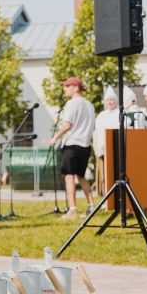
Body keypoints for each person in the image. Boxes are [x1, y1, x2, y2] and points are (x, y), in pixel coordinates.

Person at [47, 77, 95, 218]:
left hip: (72, 145)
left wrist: (55, 138)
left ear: (75, 88)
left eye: (67, 86)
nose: (65, 89)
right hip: (85, 145)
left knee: (69, 176)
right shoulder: (89, 105)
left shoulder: (72, 103)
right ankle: (91, 205)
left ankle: (73, 210)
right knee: (81, 176)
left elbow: (68, 124)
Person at [93, 87, 121, 197]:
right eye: (108, 100)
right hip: (102, 149)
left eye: (112, 100)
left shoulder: (119, 114)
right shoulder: (101, 115)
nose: (110, 102)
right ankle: (106, 196)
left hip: (115, 149)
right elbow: (97, 132)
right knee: (104, 174)